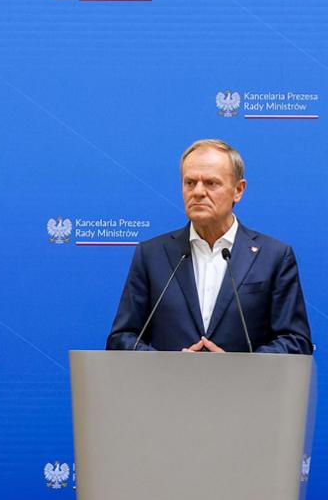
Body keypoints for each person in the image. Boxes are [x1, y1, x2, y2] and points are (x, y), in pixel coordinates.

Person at [107, 139, 312, 354]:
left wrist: (237, 367)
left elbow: (295, 341)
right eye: (190, 182)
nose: (198, 192)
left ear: (238, 190)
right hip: (169, 386)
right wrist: (167, 365)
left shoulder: (274, 257)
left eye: (211, 183)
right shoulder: (152, 255)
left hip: (245, 387)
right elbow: (122, 338)